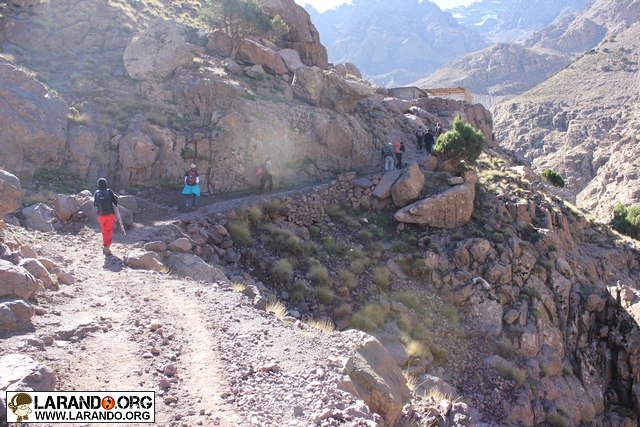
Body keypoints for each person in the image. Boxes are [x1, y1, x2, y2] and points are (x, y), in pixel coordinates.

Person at [93, 178, 118, 255]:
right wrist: (116, 197)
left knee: (104, 231)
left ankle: (104, 244)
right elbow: (115, 202)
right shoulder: (109, 192)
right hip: (110, 214)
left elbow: (94, 204)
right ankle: (106, 245)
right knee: (109, 230)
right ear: (106, 184)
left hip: (101, 215)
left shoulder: (97, 193)